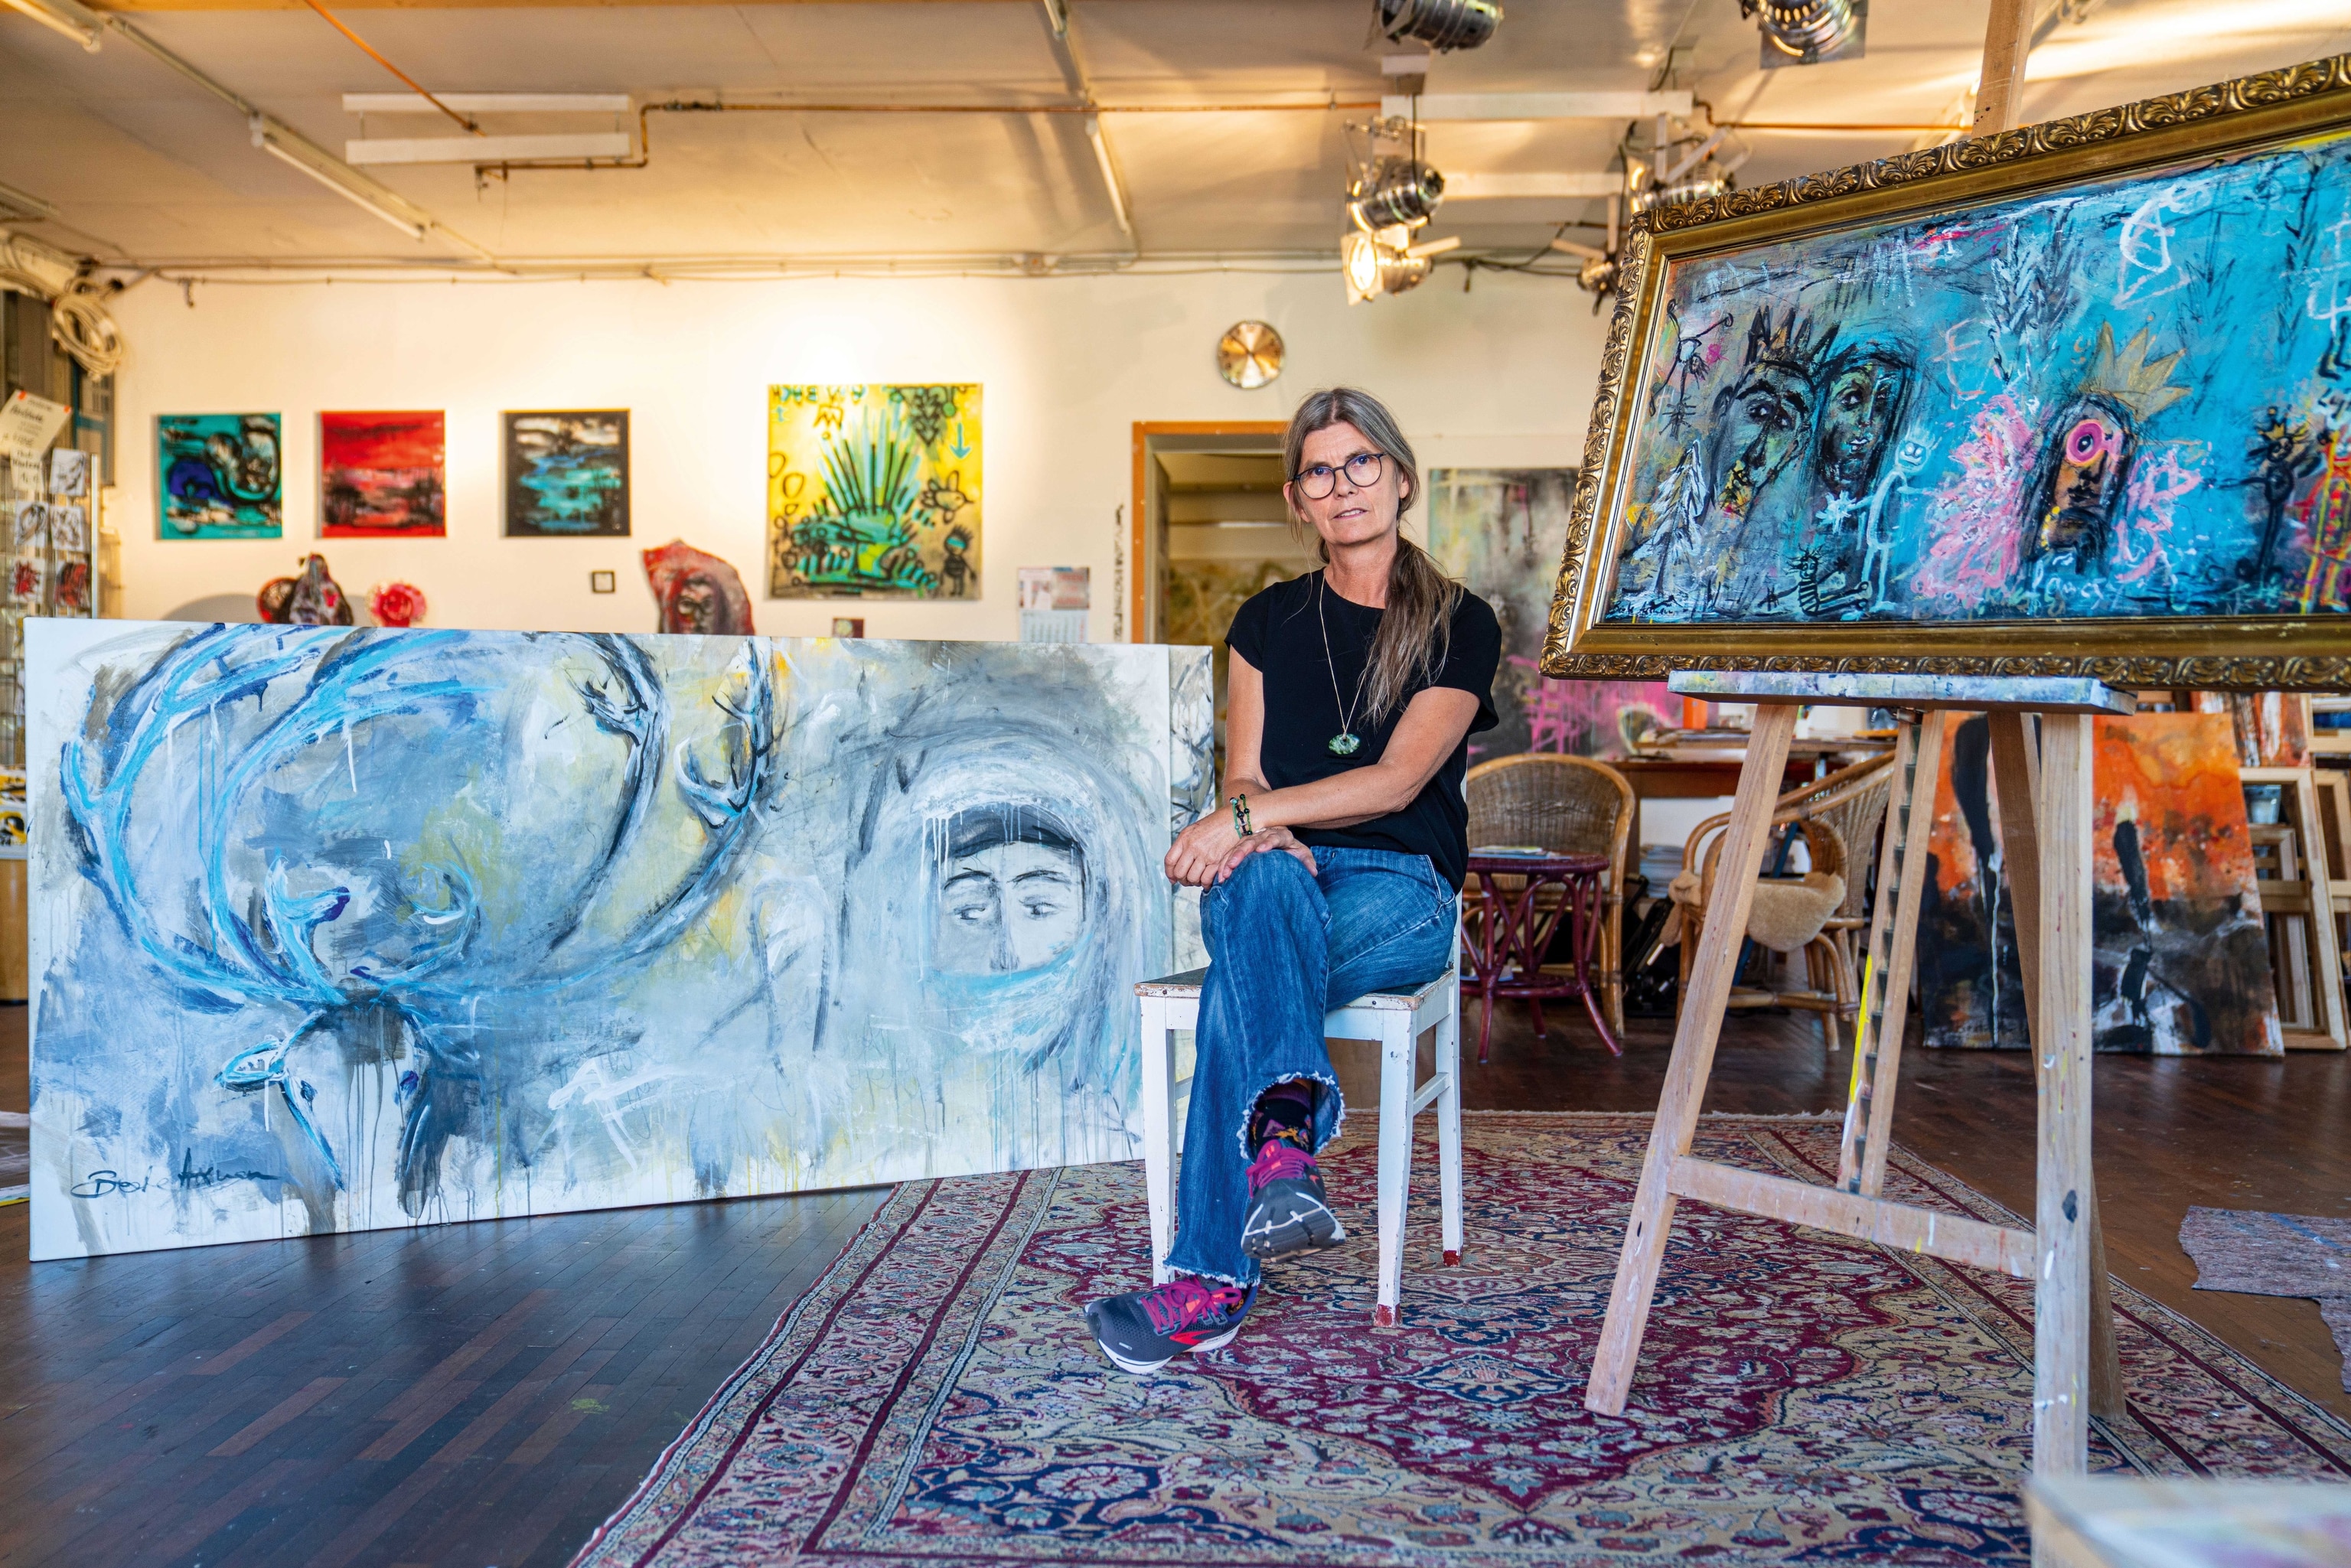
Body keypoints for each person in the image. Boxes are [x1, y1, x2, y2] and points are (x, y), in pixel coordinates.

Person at [1084, 386, 1500, 1373]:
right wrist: (1255, 824)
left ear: (1400, 480)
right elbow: (1246, 773)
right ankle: (1278, 1152)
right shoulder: (1267, 620)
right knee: (1261, 894)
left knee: (1240, 976)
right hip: (1284, 868)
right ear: (1297, 499)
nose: (1344, 484)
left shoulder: (1461, 621)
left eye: (1363, 464)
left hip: (1401, 887)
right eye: (1321, 470)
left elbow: (1398, 780)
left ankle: (1208, 1281)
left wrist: (1249, 822)